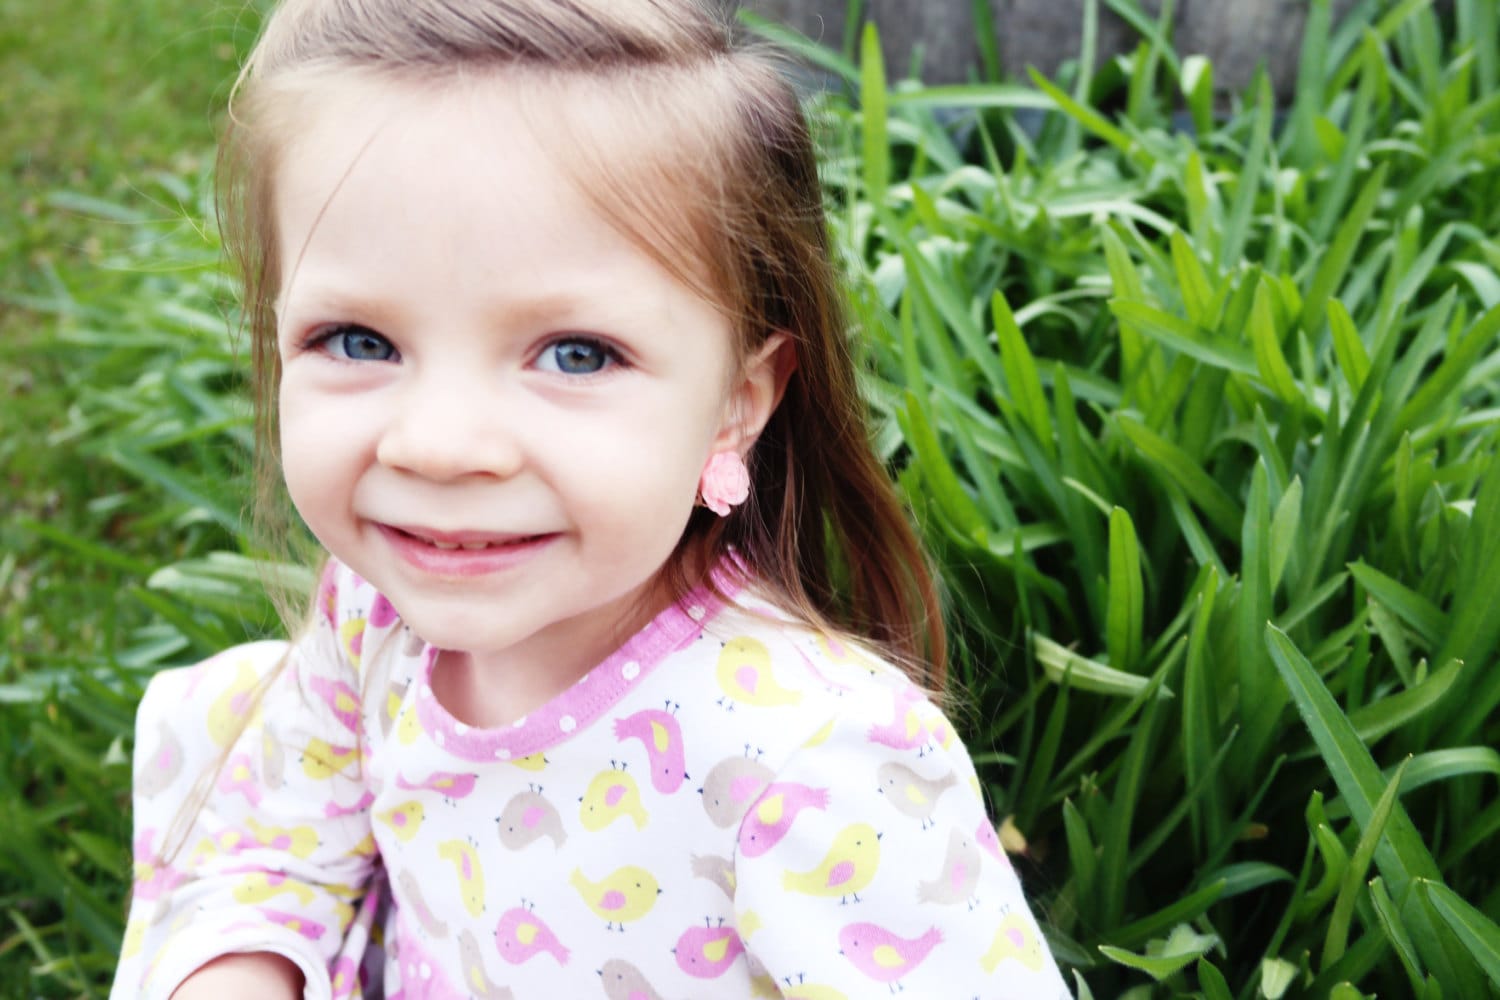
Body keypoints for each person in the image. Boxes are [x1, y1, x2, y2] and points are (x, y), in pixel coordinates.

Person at [112, 0, 1071, 996]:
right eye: (359, 341)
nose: (440, 447)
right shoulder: (374, 608)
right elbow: (278, 824)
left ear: (737, 404)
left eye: (576, 354)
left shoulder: (813, 765)